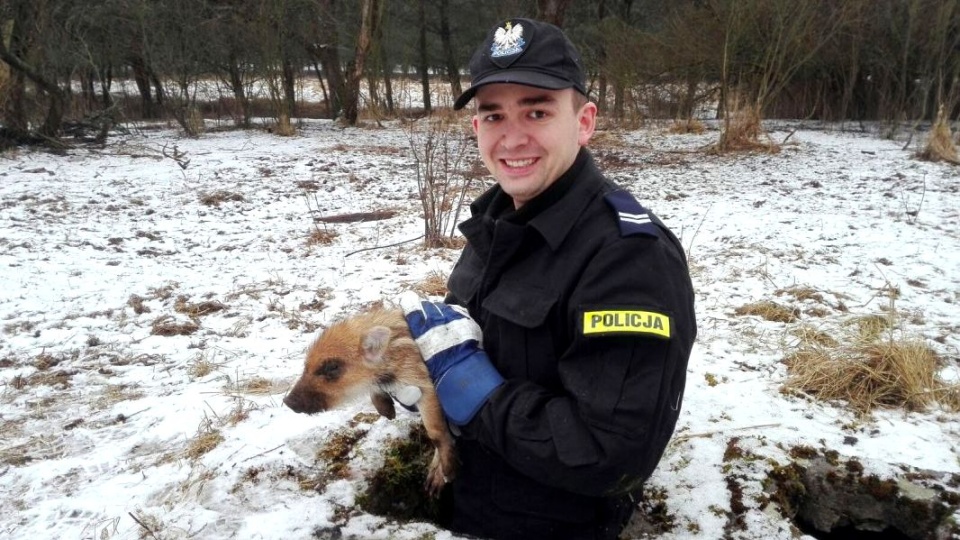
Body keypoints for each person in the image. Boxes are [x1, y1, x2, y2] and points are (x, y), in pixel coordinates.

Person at [399, 17, 697, 540]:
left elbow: (611, 455)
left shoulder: (627, 258)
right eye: (493, 115)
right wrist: (423, 380)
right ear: (476, 129)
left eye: (537, 110)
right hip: (472, 500)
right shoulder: (494, 226)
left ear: (584, 122)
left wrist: (478, 397)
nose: (512, 137)